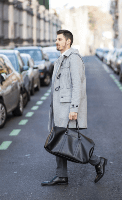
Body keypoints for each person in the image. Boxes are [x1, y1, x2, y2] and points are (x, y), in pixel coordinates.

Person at [41, 30, 107, 186]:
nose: (56, 42)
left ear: (68, 41)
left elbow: (77, 86)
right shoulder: (61, 59)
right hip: (59, 108)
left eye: (59, 39)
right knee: (60, 141)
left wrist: (74, 109)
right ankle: (61, 175)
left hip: (67, 108)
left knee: (73, 142)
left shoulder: (74, 59)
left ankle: (98, 162)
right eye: (56, 39)